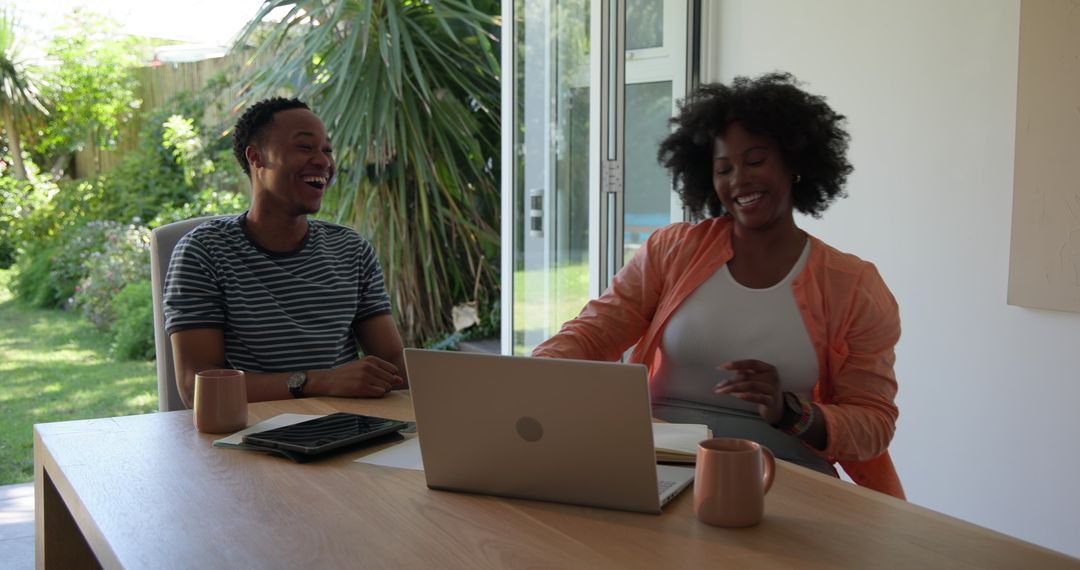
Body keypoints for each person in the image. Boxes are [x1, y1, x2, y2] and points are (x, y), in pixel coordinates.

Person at [532, 72, 904, 498]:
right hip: (660, 453)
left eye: (756, 160)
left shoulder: (852, 286)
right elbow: (596, 331)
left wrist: (791, 413)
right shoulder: (672, 250)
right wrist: (534, 374)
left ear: (795, 161)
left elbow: (873, 423)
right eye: (723, 168)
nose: (739, 179)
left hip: (784, 471)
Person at [164, 97, 407, 407]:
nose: (323, 161)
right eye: (305, 148)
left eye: (327, 150)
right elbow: (197, 386)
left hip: (351, 429)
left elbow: (391, 360)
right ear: (256, 158)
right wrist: (319, 381)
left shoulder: (351, 250)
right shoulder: (204, 253)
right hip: (253, 436)